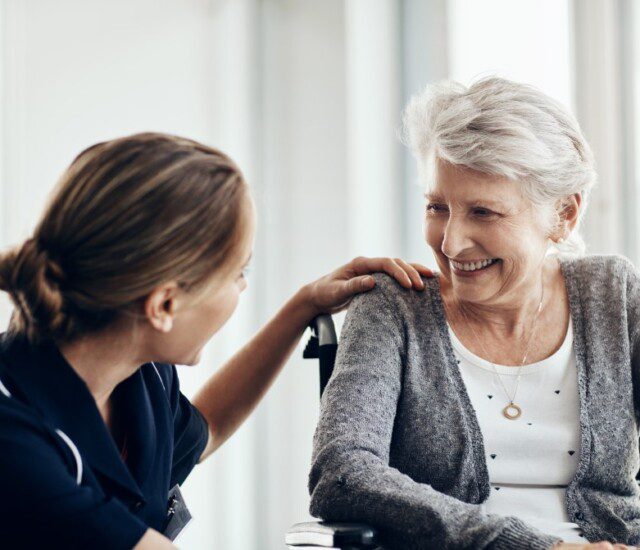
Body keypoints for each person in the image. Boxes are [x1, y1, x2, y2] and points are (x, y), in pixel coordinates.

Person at [0, 132, 432, 549]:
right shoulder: (14, 435)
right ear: (164, 305)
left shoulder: (142, 372)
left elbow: (207, 430)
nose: (242, 289)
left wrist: (304, 306)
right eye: (237, 274)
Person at [309, 77, 640, 549]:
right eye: (437, 207)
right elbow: (341, 474)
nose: (450, 242)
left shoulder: (613, 295)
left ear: (564, 214)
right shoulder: (392, 307)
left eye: (483, 212)